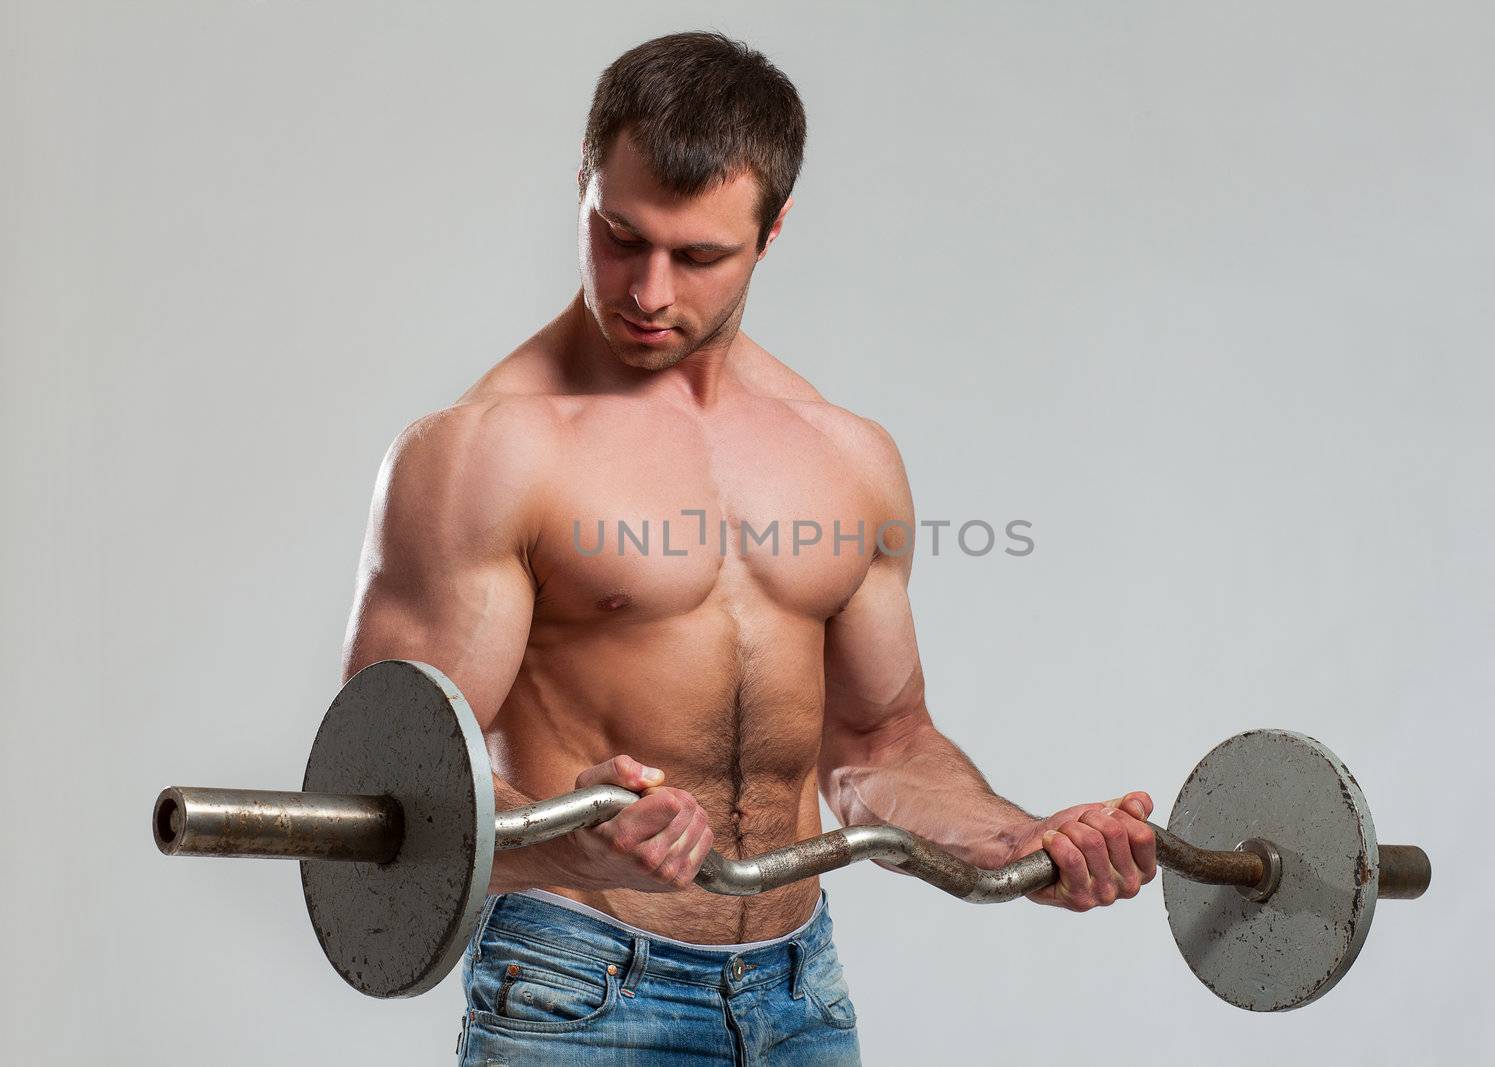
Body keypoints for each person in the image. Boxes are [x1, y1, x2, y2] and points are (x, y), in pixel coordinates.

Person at [341, 30, 1157, 1066]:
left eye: (697, 257)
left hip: (799, 991)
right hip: (578, 988)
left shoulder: (844, 457)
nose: (645, 291)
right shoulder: (486, 452)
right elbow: (383, 802)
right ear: (581, 185)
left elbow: (881, 750)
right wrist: (568, 833)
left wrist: (1007, 838)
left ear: (770, 234)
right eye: (617, 236)